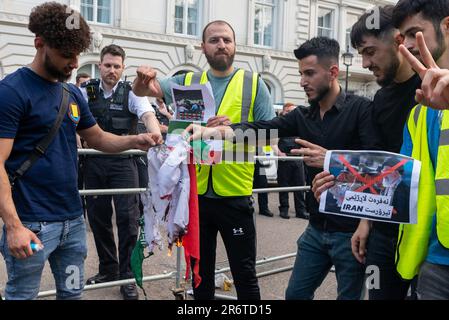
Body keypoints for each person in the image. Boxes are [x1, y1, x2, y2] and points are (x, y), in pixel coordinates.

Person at [187, 37, 382, 300]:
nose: (302, 81)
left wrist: (333, 162)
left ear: (333, 72)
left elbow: (378, 168)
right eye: (301, 73)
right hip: (316, 228)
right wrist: (213, 131)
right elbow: (259, 130)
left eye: (309, 73)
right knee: (295, 295)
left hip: (351, 232)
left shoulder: (361, 110)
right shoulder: (303, 116)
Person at [0, 2, 161, 300]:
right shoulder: (11, 92)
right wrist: (13, 227)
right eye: (67, 55)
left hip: (73, 225)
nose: (75, 63)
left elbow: (97, 138)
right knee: (22, 296)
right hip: (31, 225)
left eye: (78, 54)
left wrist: (133, 141)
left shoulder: (71, 92)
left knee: (72, 295)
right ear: (40, 44)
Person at [133, 20, 275, 300]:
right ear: (203, 47)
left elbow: (269, 137)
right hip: (194, 196)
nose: (221, 45)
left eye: (226, 40)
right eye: (214, 40)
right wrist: (141, 77)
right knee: (199, 275)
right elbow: (141, 91)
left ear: (235, 46)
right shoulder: (186, 82)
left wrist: (227, 131)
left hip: (235, 193)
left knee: (244, 275)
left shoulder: (254, 84)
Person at [348, 5, 421, 300]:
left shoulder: (432, 87)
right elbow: (376, 163)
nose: (365, 63)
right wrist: (365, 221)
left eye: (370, 51)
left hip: (426, 232)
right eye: (361, 54)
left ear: (397, 40)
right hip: (385, 229)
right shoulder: (379, 99)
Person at [79, 44, 162, 300]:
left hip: (125, 162)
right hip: (93, 163)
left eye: (117, 66)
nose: (112, 70)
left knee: (127, 220)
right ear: (100, 65)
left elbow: (148, 115)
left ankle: (128, 276)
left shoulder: (132, 92)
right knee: (98, 218)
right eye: (107, 65)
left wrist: (155, 131)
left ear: (123, 68)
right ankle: (109, 269)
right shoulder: (85, 91)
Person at [393, 0, 449, 300]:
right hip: (434, 262)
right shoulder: (418, 113)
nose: (408, 46)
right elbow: (404, 182)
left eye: (416, 33)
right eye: (403, 37)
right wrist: (341, 184)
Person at [274, 103, 307, 219]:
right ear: (284, 111)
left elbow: (305, 140)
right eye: (289, 111)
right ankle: (284, 209)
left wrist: (303, 151)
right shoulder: (278, 123)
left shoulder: (300, 124)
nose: (291, 113)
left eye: (293, 111)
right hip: (284, 158)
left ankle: (301, 211)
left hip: (298, 159)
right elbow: (272, 141)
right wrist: (279, 153)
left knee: (300, 186)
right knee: (284, 186)